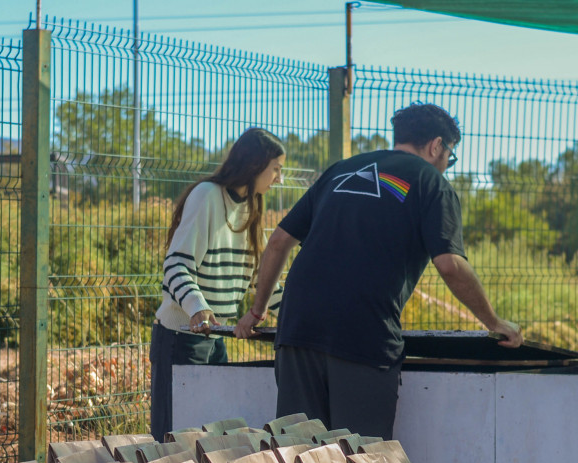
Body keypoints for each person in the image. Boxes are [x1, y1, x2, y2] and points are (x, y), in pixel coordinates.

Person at [235, 103, 522, 441]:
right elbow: (449, 264)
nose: (447, 165)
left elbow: (279, 241)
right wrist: (494, 322)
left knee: (300, 460)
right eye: (450, 157)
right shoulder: (431, 182)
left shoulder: (341, 170)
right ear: (436, 146)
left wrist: (256, 311)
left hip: (298, 329)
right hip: (362, 334)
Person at [151, 127, 285, 440]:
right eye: (276, 169)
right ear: (255, 165)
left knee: (209, 440)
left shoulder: (251, 205)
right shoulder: (207, 196)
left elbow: (260, 279)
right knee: (174, 443)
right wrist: (198, 308)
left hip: (215, 336)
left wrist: (299, 312)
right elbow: (175, 264)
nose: (279, 178)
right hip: (181, 336)